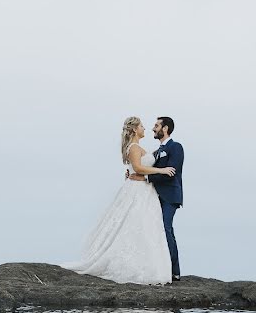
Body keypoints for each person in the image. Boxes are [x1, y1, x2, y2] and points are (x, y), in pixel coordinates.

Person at [63, 117, 175, 284]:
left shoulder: (136, 147)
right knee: (137, 225)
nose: (145, 128)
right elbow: (138, 168)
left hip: (144, 191)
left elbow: (134, 170)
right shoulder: (135, 147)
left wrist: (136, 174)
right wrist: (162, 170)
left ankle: (148, 265)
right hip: (138, 191)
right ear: (135, 129)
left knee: (145, 227)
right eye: (142, 126)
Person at [129, 117, 183, 282]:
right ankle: (160, 268)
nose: (153, 128)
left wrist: (145, 179)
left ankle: (174, 271)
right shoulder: (157, 151)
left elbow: (170, 173)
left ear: (165, 128)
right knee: (155, 231)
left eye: (156, 125)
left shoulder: (176, 147)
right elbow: (149, 167)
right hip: (153, 196)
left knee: (166, 228)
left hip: (169, 196)